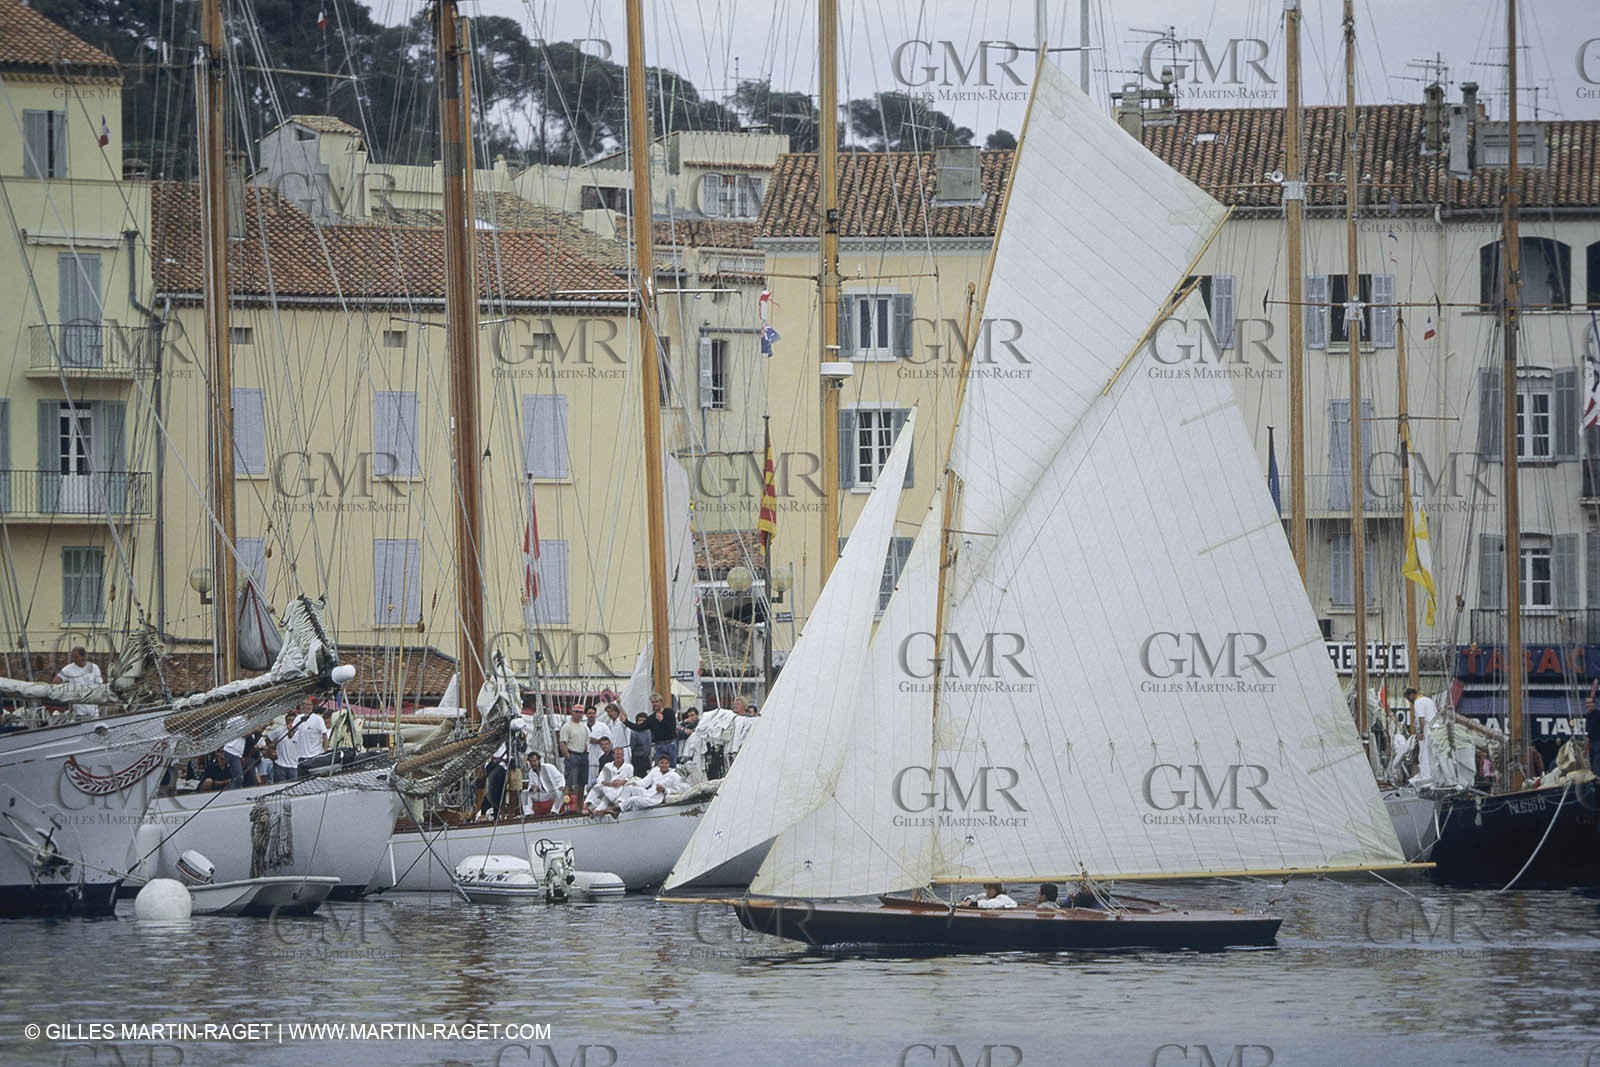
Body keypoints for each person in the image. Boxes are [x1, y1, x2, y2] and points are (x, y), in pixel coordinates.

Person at [618, 755, 689, 811]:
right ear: (658, 764)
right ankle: (619, 803)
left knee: (634, 799)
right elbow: (645, 782)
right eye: (662, 763)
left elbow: (678, 790)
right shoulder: (655, 771)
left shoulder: (674, 775)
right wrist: (634, 783)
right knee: (629, 788)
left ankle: (618, 809)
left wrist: (664, 790)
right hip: (648, 793)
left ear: (669, 764)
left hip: (656, 799)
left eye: (666, 763)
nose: (664, 765)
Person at [54, 646, 103, 721]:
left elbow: (100, 684)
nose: (73, 659)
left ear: (83, 657)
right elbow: (57, 680)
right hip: (78, 711)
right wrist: (66, 691)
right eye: (73, 657)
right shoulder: (68, 669)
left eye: (75, 657)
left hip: (93, 710)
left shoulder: (94, 667)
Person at [584, 746, 634, 813]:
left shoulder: (629, 767)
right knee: (596, 787)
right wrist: (609, 784)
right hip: (608, 786)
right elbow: (599, 779)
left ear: (623, 755)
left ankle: (597, 810)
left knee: (609, 795)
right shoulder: (608, 765)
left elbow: (631, 780)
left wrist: (621, 782)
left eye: (620, 754)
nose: (618, 756)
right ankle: (585, 806)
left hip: (619, 789)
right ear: (613, 755)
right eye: (617, 754)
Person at [558, 704, 591, 804]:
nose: (578, 714)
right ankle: (566, 805)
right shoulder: (567, 726)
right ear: (572, 712)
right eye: (576, 712)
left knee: (582, 784)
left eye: (580, 712)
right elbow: (562, 743)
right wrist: (568, 756)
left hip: (583, 756)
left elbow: (587, 742)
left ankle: (579, 806)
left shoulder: (584, 727)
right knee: (569, 783)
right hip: (573, 755)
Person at [1405, 687, 1439, 781]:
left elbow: (1421, 718)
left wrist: (1420, 732)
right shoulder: (1429, 700)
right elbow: (1435, 714)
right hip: (1435, 727)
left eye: (1408, 698)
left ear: (1412, 694)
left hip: (1426, 729)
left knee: (1424, 754)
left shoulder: (1418, 702)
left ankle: (1425, 777)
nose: (1409, 701)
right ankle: (1434, 775)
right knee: (1432, 753)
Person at [524, 751, 565, 816]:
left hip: (553, 792)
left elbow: (560, 777)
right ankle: (529, 814)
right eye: (531, 762)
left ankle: (554, 812)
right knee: (525, 793)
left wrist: (562, 785)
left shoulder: (549, 767)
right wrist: (532, 788)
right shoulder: (531, 772)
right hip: (542, 794)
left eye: (534, 761)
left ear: (539, 760)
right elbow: (531, 786)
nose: (532, 763)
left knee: (561, 793)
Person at [648, 696, 678, 765]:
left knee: (672, 768)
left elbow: (672, 728)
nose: (655, 704)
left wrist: (662, 720)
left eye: (656, 702)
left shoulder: (669, 712)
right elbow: (639, 727)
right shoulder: (651, 718)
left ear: (661, 702)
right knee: (658, 769)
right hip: (659, 745)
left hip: (670, 744)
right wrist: (626, 721)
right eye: (653, 702)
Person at [1586, 681, 1600, 776]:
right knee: (1591, 761)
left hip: (1598, 741)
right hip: (1591, 741)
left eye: (1590, 703)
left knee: (1596, 763)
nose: (1589, 705)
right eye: (1587, 703)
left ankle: (1597, 779)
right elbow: (1588, 730)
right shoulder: (1588, 715)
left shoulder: (1597, 714)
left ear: (1594, 704)